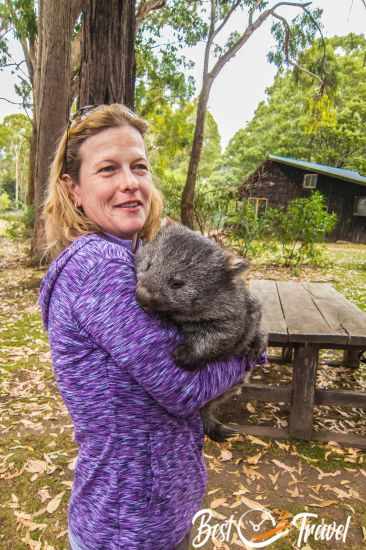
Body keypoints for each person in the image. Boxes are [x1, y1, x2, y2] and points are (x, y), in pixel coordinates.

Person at [39, 103, 252, 550]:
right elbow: (182, 388)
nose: (129, 182)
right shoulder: (98, 266)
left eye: (139, 166)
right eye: (107, 169)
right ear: (72, 188)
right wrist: (249, 354)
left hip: (154, 505)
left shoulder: (134, 253)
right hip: (129, 525)